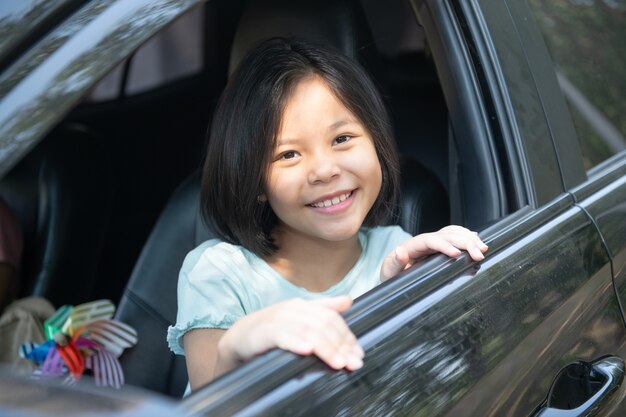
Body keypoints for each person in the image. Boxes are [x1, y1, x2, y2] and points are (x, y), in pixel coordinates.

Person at [167, 37, 488, 392]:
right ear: (255, 180)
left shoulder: (397, 254)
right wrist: (237, 345)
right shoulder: (219, 273)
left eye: (342, 139)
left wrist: (403, 295)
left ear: (377, 144)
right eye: (288, 154)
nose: (324, 170)